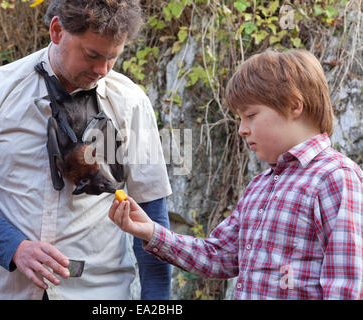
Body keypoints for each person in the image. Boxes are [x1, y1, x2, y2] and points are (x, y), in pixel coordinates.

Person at [0, 0, 172, 300]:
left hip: (100, 295)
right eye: (92, 54)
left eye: (112, 57)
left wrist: (158, 302)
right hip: (6, 291)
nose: (102, 69)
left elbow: (151, 215)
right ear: (57, 30)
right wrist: (14, 248)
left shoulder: (130, 103)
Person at [109, 49, 363, 299]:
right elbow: (217, 256)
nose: (242, 129)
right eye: (240, 119)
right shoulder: (259, 186)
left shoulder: (336, 177)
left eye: (251, 115)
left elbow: (346, 284)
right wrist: (150, 231)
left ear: (294, 105)